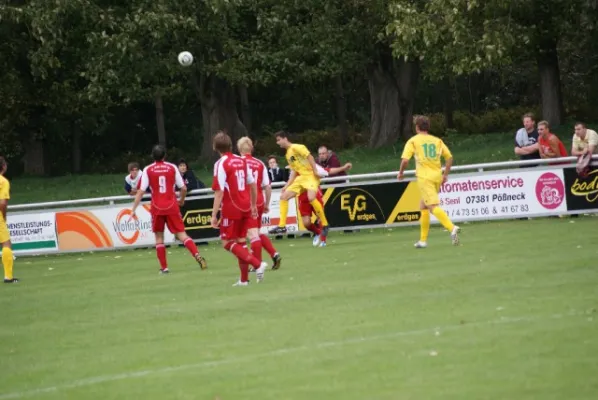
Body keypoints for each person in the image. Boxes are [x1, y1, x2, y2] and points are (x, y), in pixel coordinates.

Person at [131, 145, 207, 273]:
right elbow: (183, 188)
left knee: (159, 237)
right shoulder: (172, 167)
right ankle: (197, 256)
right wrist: (181, 200)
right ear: (164, 155)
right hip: (171, 205)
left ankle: (164, 268)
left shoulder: (148, 169)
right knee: (182, 235)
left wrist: (133, 209)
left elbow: (140, 191)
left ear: (152, 156)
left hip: (157, 207)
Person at [211, 132, 267, 286]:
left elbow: (219, 191)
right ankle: (244, 280)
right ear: (230, 145)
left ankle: (257, 264)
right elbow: (253, 184)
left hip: (231, 207)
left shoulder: (221, 163)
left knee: (227, 243)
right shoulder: (241, 161)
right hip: (245, 205)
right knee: (241, 241)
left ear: (215, 147)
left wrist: (214, 214)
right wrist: (253, 204)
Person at [398, 115, 460, 248]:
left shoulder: (413, 141)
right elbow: (449, 158)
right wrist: (445, 175)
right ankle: (423, 240)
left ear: (417, 127)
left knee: (432, 206)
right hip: (437, 176)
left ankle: (452, 227)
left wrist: (401, 172)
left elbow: (405, 160)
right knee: (423, 206)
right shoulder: (437, 141)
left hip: (424, 178)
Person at [268, 131, 329, 237]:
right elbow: (294, 171)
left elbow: (310, 157)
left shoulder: (297, 147)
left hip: (310, 175)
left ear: (285, 138)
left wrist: (315, 171)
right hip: (301, 178)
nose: (278, 143)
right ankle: (282, 226)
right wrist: (286, 185)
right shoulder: (288, 154)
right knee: (283, 197)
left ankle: (325, 224)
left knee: (311, 197)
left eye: (278, 140)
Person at [237, 137, 282, 270]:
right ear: (251, 148)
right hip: (259, 201)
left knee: (250, 235)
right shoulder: (260, 164)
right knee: (255, 232)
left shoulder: (238, 163)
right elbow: (268, 187)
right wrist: (267, 204)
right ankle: (274, 253)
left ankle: (257, 263)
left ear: (239, 149)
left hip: (245, 203)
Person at [299, 163, 353, 247]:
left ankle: (323, 241)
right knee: (306, 223)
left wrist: (343, 168)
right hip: (303, 197)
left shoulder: (312, 165)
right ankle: (318, 233)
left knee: (320, 217)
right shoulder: (295, 166)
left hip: (315, 194)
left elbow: (328, 171)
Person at [0, 157, 18, 284]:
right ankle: (8, 277)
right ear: (3, 166)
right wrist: (4, 216)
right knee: (6, 244)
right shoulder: (3, 182)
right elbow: (2, 203)